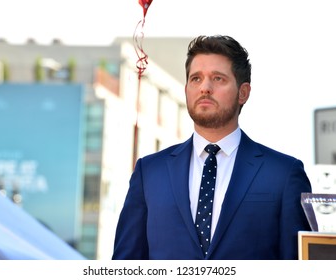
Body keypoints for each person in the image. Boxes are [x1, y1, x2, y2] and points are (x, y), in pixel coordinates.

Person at [112, 35, 311, 260]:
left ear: (243, 93)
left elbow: (299, 266)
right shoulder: (149, 172)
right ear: (186, 88)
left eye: (218, 79)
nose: (205, 88)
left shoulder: (283, 174)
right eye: (196, 79)